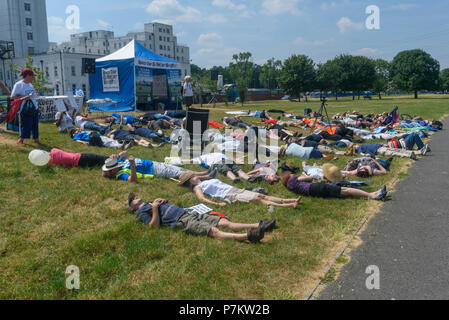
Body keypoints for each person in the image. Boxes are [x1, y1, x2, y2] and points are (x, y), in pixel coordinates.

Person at [126, 193, 277, 243]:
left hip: (187, 213)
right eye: (132, 199)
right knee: (212, 230)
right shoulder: (141, 213)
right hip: (181, 221)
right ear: (132, 207)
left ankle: (259, 224)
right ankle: (249, 236)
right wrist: (154, 208)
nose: (136, 197)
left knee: (224, 221)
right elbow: (153, 226)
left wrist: (161, 201)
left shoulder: (149, 203)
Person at [181, 176, 301, 208]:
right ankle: (289, 205)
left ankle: (291, 200)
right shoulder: (197, 188)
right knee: (258, 200)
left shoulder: (203, 181)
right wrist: (218, 204)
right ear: (190, 182)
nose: (194, 175)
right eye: (191, 177)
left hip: (233, 189)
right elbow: (202, 199)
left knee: (261, 195)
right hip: (228, 195)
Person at [280, 168, 388, 201]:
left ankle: (373, 193)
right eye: (291, 174)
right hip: (316, 187)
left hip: (314, 191)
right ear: (288, 176)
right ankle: (372, 195)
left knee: (344, 191)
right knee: (345, 190)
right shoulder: (293, 180)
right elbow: (310, 178)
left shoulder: (290, 186)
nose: (293, 174)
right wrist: (303, 175)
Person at [102, 153, 217, 182]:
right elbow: (132, 180)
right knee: (178, 173)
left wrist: (117, 155)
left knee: (179, 169)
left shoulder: (120, 163)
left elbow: (125, 153)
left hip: (153, 163)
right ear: (113, 171)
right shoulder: (120, 174)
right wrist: (132, 165)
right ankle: (206, 176)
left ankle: (204, 173)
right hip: (153, 170)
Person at [10, 68, 40, 145]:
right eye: (32, 76)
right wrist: (23, 97)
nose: (33, 78)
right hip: (24, 108)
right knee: (25, 124)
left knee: (35, 124)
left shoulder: (31, 85)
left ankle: (35, 138)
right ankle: (21, 139)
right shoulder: (18, 84)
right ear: (27, 76)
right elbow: (13, 97)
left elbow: (32, 95)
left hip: (34, 107)